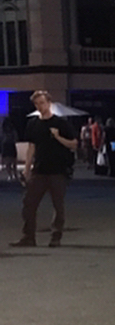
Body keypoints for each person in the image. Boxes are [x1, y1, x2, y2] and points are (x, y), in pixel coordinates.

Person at [11, 91, 78, 247]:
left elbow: (74, 144)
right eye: (36, 104)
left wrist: (58, 137)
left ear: (49, 103)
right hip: (39, 170)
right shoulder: (33, 124)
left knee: (58, 205)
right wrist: (27, 169)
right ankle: (28, 236)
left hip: (58, 170)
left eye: (42, 103)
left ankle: (56, 236)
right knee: (29, 203)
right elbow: (31, 147)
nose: (39, 106)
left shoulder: (61, 123)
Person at [1, 117, 17, 182]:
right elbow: (15, 138)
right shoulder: (13, 131)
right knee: (13, 162)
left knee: (8, 163)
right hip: (11, 146)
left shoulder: (3, 132)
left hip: (6, 147)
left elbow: (1, 140)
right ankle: (14, 175)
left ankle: (10, 175)